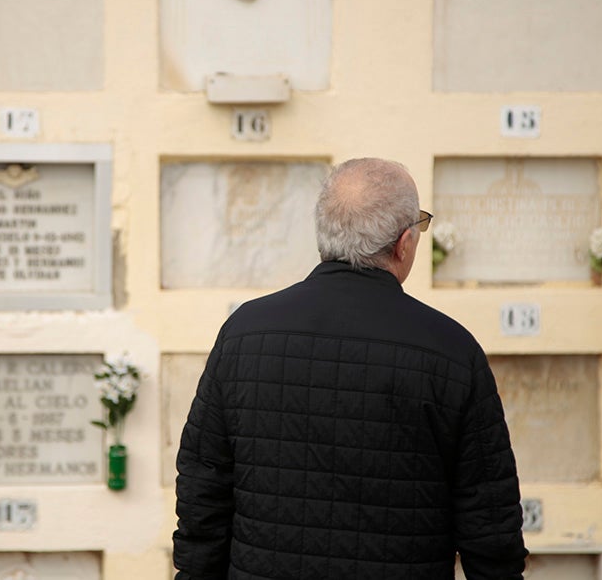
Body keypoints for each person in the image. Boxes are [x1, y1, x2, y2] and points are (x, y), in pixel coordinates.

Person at [173, 158, 528, 579]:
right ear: (404, 242)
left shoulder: (245, 334)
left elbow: (203, 491)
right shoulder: (450, 350)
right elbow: (489, 524)